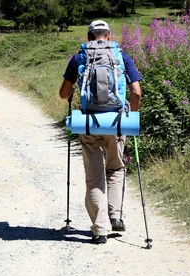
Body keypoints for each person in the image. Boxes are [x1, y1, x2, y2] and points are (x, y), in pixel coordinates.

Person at [59, 20, 142, 245]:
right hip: (116, 122)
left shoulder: (79, 58)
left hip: (89, 123)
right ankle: (115, 216)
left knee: (94, 176)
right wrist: (129, 117)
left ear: (89, 37)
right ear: (109, 35)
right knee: (115, 168)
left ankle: (100, 230)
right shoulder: (121, 56)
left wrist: (74, 91)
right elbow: (136, 92)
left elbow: (63, 94)